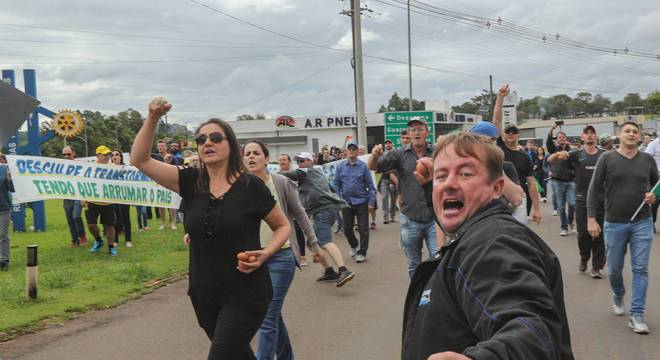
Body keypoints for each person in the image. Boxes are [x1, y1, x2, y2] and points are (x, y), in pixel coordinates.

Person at [131, 98, 291, 359]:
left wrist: (266, 253)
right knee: (236, 354)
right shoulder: (191, 181)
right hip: (204, 293)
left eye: (216, 137)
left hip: (245, 294)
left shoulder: (251, 186)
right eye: (201, 139)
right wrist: (152, 118)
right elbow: (140, 159)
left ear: (231, 145)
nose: (207, 143)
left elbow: (283, 226)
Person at [401, 132, 574, 360]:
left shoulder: (495, 242)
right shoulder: (475, 231)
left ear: (496, 189)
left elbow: (530, 329)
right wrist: (428, 187)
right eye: (441, 176)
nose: (449, 183)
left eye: (465, 173)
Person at [243, 140, 323, 360]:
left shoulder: (280, 182)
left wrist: (314, 243)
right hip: (253, 259)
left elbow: (299, 214)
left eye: (256, 153)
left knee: (266, 315)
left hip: (281, 257)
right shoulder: (239, 186)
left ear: (266, 159)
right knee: (273, 315)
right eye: (247, 153)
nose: (251, 157)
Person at [587, 121, 658, 334]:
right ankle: (618, 293)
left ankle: (637, 314)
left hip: (642, 223)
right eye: (627, 131)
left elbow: (657, 185)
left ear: (640, 137)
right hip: (614, 223)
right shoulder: (607, 158)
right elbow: (594, 188)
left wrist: (654, 196)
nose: (631, 134)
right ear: (620, 135)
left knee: (640, 269)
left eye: (635, 132)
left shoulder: (647, 160)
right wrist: (591, 218)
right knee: (615, 269)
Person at [369, 117, 439, 276]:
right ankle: (417, 296)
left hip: (435, 218)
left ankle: (433, 296)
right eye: (413, 130)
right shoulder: (398, 154)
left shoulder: (437, 152)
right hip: (410, 218)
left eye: (420, 129)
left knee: (438, 261)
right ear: (409, 133)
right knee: (414, 264)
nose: (417, 132)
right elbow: (373, 167)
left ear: (427, 132)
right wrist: (375, 155)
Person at [280, 152, 355, 286]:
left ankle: (344, 270)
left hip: (324, 211)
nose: (299, 163)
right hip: (323, 211)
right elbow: (331, 189)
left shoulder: (305, 171)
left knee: (324, 240)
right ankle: (329, 271)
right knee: (312, 243)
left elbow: (292, 175)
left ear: (310, 161)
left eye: (302, 161)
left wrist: (271, 175)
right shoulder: (316, 174)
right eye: (298, 161)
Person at [548, 125, 606, 278]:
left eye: (592, 133)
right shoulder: (575, 155)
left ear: (596, 136)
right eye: (586, 133)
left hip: (601, 201)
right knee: (583, 236)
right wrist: (559, 154)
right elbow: (550, 160)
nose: (589, 136)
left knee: (600, 235)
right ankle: (584, 257)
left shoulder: (604, 155)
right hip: (581, 200)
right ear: (582, 137)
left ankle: (597, 267)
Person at [492, 84, 542, 225]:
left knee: (519, 235)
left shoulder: (525, 156)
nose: (511, 134)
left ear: (518, 135)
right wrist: (500, 98)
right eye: (508, 132)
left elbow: (532, 184)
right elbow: (496, 121)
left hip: (519, 199)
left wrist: (537, 209)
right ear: (503, 134)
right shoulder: (499, 147)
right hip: (498, 197)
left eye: (514, 132)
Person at [334, 140, 376, 263]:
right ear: (346, 151)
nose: (352, 151)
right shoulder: (341, 166)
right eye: (350, 149)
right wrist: (337, 198)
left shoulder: (363, 166)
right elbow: (336, 183)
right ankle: (354, 244)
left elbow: (370, 185)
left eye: (354, 149)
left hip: (361, 201)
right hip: (346, 202)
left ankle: (362, 252)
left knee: (363, 228)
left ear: (357, 152)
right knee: (347, 228)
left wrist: (371, 202)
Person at [85, 146, 118, 256]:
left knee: (109, 225)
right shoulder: (91, 167)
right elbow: (83, 183)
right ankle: (98, 240)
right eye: (104, 154)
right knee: (91, 225)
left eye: (108, 154)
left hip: (108, 202)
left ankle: (111, 246)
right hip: (93, 201)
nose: (107, 157)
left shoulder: (113, 167)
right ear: (97, 155)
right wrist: (83, 198)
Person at [546, 122, 576, 236]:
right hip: (557, 180)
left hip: (571, 181)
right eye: (559, 137)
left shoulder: (572, 150)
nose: (562, 138)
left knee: (572, 203)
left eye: (563, 137)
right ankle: (564, 227)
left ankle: (571, 222)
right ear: (557, 140)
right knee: (561, 206)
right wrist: (552, 128)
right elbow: (549, 141)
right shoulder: (553, 149)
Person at [62, 146, 88, 247]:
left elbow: (84, 181)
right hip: (67, 196)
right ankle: (74, 240)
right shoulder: (60, 166)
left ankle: (82, 237)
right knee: (70, 219)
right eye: (64, 154)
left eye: (68, 154)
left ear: (74, 153)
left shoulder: (79, 166)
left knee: (76, 216)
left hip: (78, 195)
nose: (66, 156)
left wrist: (84, 197)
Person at [152, 140, 177, 230]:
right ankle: (163, 223)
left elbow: (176, 169)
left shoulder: (172, 157)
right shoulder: (154, 157)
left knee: (171, 204)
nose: (160, 147)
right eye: (159, 146)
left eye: (162, 146)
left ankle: (173, 223)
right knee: (161, 204)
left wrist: (168, 162)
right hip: (159, 183)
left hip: (170, 182)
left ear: (166, 147)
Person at [111, 150, 133, 248]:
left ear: (121, 157)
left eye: (117, 155)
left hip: (124, 197)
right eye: (112, 155)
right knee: (115, 219)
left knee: (126, 218)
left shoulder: (126, 168)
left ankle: (128, 240)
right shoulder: (108, 169)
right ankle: (115, 240)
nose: (114, 157)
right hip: (114, 197)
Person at [0, 153, 14, 271]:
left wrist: (10, 180)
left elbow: (13, 189)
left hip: (4, 207)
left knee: (3, 234)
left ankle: (4, 260)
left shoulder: (5, 169)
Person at [644, 133, 660, 231]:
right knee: (655, 202)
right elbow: (646, 159)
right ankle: (652, 222)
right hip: (657, 178)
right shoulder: (653, 144)